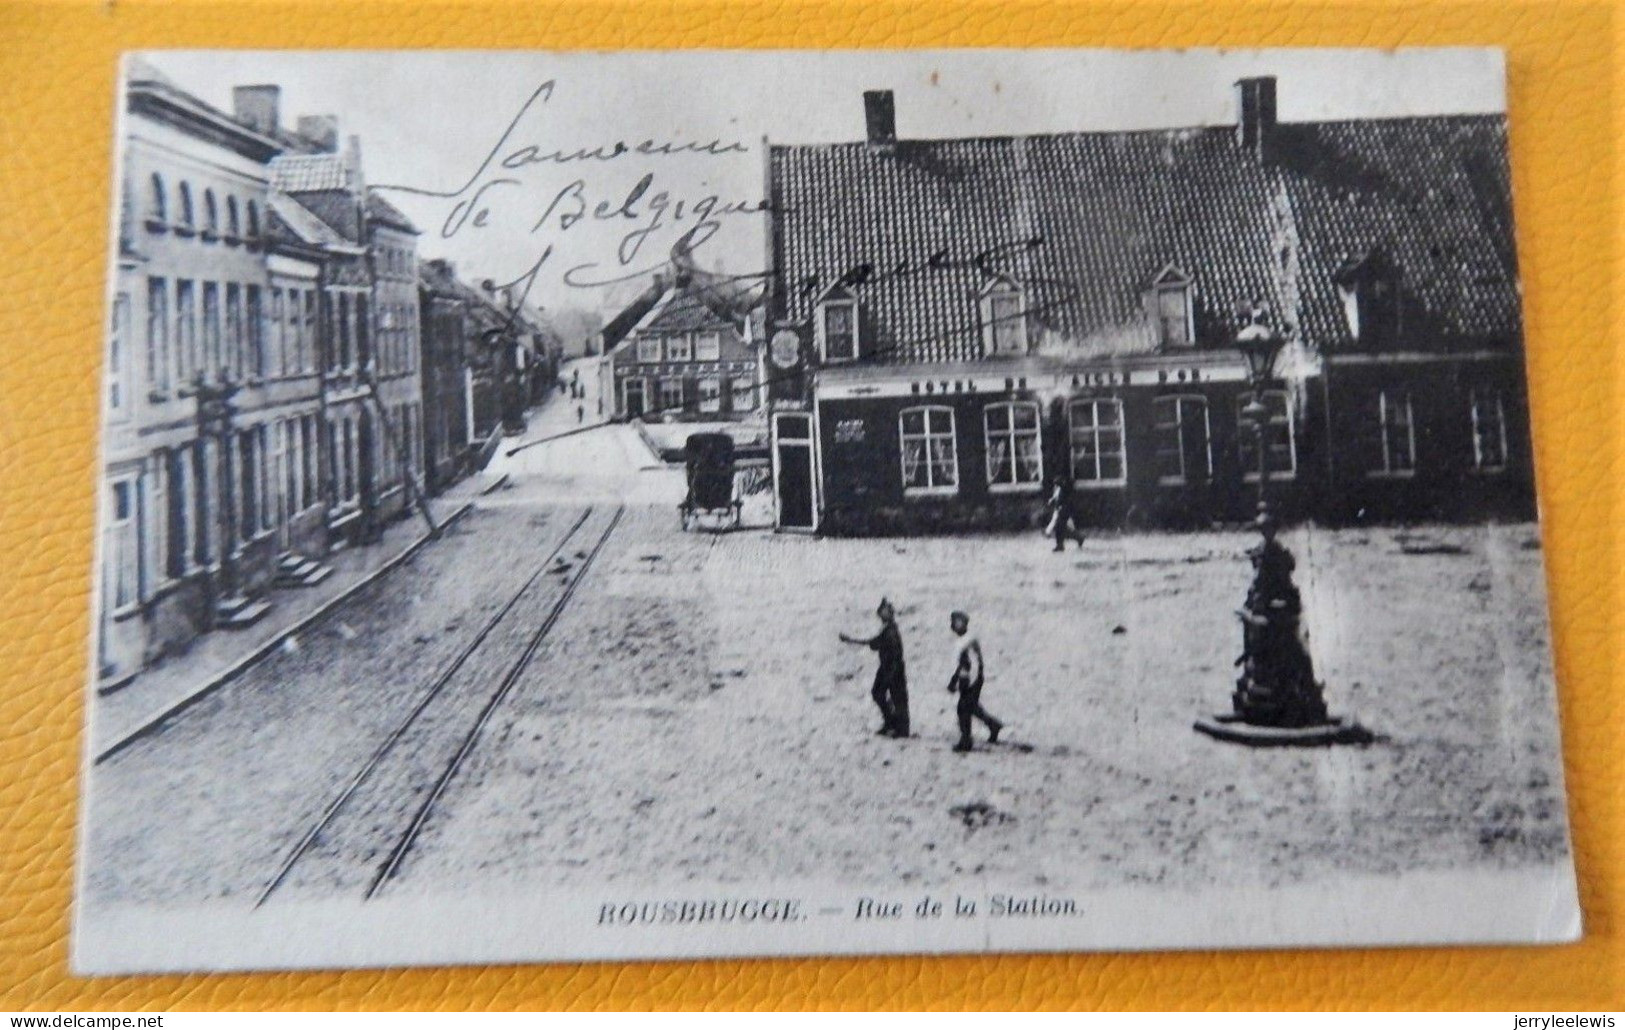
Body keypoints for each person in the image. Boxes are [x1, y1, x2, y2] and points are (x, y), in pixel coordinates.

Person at [839, 598, 910, 737]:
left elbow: (879, 645)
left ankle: (900, 729)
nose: (882, 614)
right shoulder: (887, 629)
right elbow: (874, 643)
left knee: (896, 698)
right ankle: (892, 723)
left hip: (893, 668)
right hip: (886, 667)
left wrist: (850, 640)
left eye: (885, 611)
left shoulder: (890, 631)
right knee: (880, 693)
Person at [947, 610, 1002, 752]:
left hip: (972, 680)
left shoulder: (969, 640)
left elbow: (973, 663)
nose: (956, 625)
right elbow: (960, 664)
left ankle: (966, 741)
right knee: (972, 708)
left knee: (963, 709)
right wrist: (955, 680)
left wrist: (971, 681)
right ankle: (993, 725)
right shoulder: (962, 640)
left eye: (959, 622)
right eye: (954, 622)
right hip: (968, 679)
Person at [1044, 476, 1085, 552]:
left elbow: (1065, 502)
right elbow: (1056, 498)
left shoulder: (1064, 490)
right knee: (1062, 529)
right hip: (1061, 511)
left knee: (1059, 528)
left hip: (1063, 511)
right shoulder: (1059, 490)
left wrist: (1060, 508)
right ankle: (1078, 538)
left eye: (1056, 484)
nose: (1055, 486)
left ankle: (1061, 545)